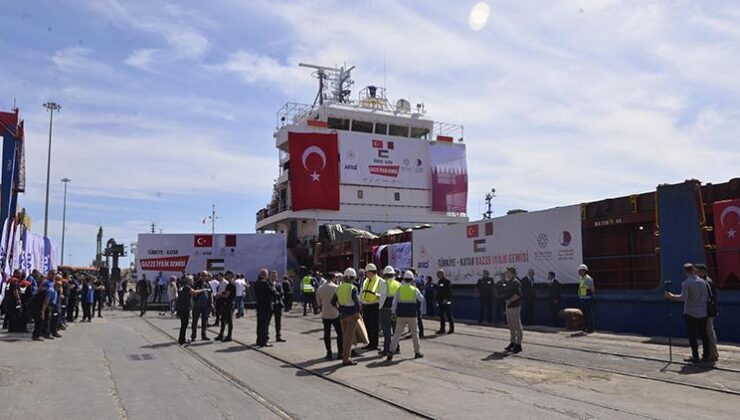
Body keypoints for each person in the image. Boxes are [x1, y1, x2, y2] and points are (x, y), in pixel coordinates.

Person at [665, 263, 710, 363]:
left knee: (692, 335)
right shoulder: (703, 282)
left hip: (690, 312)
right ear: (693, 269)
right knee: (704, 334)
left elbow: (683, 298)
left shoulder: (686, 283)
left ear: (685, 271)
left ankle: (695, 356)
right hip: (703, 312)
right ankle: (706, 356)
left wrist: (671, 296)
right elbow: (706, 297)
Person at [387, 271, 425, 361]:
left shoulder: (399, 289)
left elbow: (394, 303)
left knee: (396, 334)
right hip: (412, 315)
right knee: (415, 334)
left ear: (404, 279)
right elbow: (422, 299)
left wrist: (393, 313)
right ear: (412, 280)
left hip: (401, 315)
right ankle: (417, 352)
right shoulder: (415, 289)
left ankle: (391, 352)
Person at [332, 268, 361, 366]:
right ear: (353, 278)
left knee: (345, 336)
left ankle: (345, 356)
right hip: (351, 314)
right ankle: (346, 359)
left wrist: (339, 309)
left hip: (342, 315)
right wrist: (358, 312)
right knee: (349, 338)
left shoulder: (338, 288)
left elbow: (333, 302)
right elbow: (357, 302)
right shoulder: (353, 288)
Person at [316, 270, 343, 360]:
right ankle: (340, 352)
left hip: (325, 314)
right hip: (335, 313)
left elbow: (318, 302)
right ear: (334, 278)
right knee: (340, 333)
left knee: (326, 334)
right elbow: (340, 300)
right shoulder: (336, 287)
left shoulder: (320, 288)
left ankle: (329, 353)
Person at [696, 264, 719, 362]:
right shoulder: (707, 281)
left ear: (703, 272)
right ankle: (712, 353)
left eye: (698, 272)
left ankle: (712, 354)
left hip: (707, 311)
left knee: (709, 332)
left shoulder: (705, 282)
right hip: (709, 310)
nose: (696, 274)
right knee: (708, 332)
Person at [360, 263, 384, 350]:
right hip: (366, 306)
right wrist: (361, 303)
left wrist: (379, 306)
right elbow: (362, 292)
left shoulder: (380, 281)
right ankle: (370, 343)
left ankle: (375, 344)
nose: (365, 274)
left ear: (371, 272)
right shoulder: (366, 281)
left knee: (374, 326)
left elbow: (382, 295)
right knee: (367, 325)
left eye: (367, 272)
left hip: (375, 306)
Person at [379, 266, 401, 356]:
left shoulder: (384, 283)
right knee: (395, 329)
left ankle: (387, 349)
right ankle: (396, 347)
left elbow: (383, 296)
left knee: (386, 330)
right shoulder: (398, 284)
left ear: (385, 275)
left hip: (386, 309)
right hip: (395, 310)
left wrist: (379, 307)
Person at [176, 275, 205, 345]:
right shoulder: (187, 287)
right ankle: (182, 340)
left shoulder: (182, 287)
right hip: (185, 308)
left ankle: (182, 339)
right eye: (192, 280)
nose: (193, 281)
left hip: (181, 307)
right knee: (184, 324)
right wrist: (202, 290)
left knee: (183, 324)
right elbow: (194, 292)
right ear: (189, 281)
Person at [501, 267, 523, 353]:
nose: (506, 274)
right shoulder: (508, 282)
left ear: (513, 273)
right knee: (511, 326)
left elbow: (518, 295)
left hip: (514, 306)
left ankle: (518, 344)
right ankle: (512, 342)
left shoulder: (516, 282)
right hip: (508, 306)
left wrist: (510, 300)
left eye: (508, 273)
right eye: (506, 273)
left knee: (517, 325)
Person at [254, 269, 274, 347]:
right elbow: (272, 292)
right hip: (266, 306)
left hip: (259, 305)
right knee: (265, 325)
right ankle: (264, 341)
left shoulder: (256, 283)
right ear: (265, 275)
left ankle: (259, 340)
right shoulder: (265, 283)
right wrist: (271, 284)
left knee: (260, 324)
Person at [215, 271, 236, 342]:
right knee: (223, 319)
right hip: (226, 304)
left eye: (227, 275)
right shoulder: (230, 284)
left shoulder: (231, 285)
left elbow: (227, 295)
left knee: (229, 320)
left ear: (230, 275)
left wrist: (219, 295)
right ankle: (221, 334)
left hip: (229, 304)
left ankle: (229, 336)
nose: (226, 277)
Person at [191, 271, 212, 342]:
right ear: (200, 276)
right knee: (195, 321)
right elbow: (193, 292)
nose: (204, 277)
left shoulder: (208, 284)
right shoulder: (196, 283)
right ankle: (193, 336)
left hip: (205, 306)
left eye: (205, 276)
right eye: (202, 276)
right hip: (197, 305)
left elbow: (210, 294)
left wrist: (211, 303)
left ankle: (204, 335)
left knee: (205, 321)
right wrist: (202, 290)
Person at [577, 264, 595, 333]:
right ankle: (585, 326)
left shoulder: (588, 279)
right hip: (582, 298)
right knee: (584, 314)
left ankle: (591, 328)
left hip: (588, 298)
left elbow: (592, 288)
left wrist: (591, 297)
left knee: (589, 314)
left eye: (580, 270)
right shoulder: (581, 279)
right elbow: (581, 288)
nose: (579, 272)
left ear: (584, 271)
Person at [436, 269, 454, 334]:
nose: (437, 275)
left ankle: (451, 329)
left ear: (442, 274)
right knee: (441, 315)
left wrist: (446, 299)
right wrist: (437, 300)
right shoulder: (439, 282)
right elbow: (438, 292)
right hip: (440, 301)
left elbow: (450, 292)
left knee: (449, 315)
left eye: (438, 274)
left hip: (447, 301)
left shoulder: (447, 281)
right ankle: (442, 329)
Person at [270, 271, 286, 342]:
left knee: (278, 322)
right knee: (267, 321)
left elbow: (282, 293)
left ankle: (278, 336)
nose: (274, 277)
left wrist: (277, 294)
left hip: (278, 304)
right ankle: (266, 337)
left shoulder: (279, 284)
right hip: (270, 304)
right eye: (272, 276)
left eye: (275, 276)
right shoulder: (268, 284)